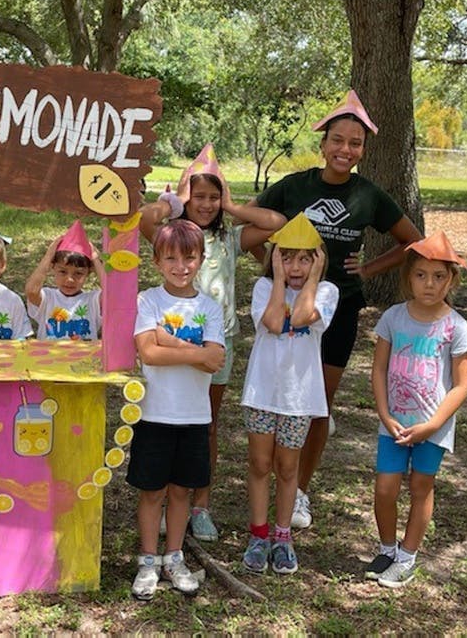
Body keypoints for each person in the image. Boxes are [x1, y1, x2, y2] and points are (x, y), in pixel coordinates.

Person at [255, 90, 422, 529]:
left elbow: (412, 240)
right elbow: (252, 221)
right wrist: (268, 263)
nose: (345, 150)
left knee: (316, 406)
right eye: (338, 140)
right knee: (273, 399)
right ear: (323, 142)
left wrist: (367, 268)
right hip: (286, 308)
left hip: (339, 309)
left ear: (363, 150)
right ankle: (267, 479)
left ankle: (300, 490)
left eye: (355, 143)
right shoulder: (295, 186)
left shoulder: (369, 195)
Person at [139, 143, 286, 540]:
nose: (205, 204)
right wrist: (171, 202)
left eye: (212, 196)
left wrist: (234, 207)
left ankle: (198, 504)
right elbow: (143, 220)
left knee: (206, 425)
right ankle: (169, 503)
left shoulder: (229, 238)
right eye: (198, 196)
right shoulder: (170, 237)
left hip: (216, 346)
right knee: (169, 422)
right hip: (169, 344)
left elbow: (276, 222)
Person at [366, 232, 467, 588]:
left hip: (432, 428)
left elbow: (461, 385)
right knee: (385, 489)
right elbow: (379, 368)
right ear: (407, 277)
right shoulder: (394, 318)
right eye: (421, 275)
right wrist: (384, 414)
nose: (429, 284)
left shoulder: (456, 326)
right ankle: (386, 548)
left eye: (439, 276)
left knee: (421, 487)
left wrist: (433, 425)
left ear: (451, 279)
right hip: (394, 424)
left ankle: (408, 556)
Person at [128, 219, 226, 600]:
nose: (180, 266)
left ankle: (174, 556)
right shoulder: (147, 300)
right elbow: (148, 352)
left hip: (194, 417)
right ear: (156, 260)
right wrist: (193, 351)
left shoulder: (209, 307)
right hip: (154, 414)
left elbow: (216, 360)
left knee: (182, 491)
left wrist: (171, 341)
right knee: (152, 492)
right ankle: (148, 561)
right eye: (171, 257)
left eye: (189, 257)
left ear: (201, 259)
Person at [239, 214, 339, 575]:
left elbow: (299, 318)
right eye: (287, 257)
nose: (295, 266)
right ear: (274, 257)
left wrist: (312, 279)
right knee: (260, 464)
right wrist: (278, 278)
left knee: (287, 467)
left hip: (298, 398)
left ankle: (283, 536)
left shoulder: (327, 292)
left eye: (305, 259)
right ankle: (259, 534)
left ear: (318, 261)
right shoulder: (264, 288)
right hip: (262, 392)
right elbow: (272, 322)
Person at [25, 220, 105, 341]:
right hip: (48, 358)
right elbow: (31, 291)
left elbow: (112, 295)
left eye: (78, 273)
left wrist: (95, 260)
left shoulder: (92, 300)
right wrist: (48, 257)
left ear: (89, 272)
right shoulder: (48, 297)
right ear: (53, 268)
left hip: (84, 359)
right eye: (62, 272)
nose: (70, 279)